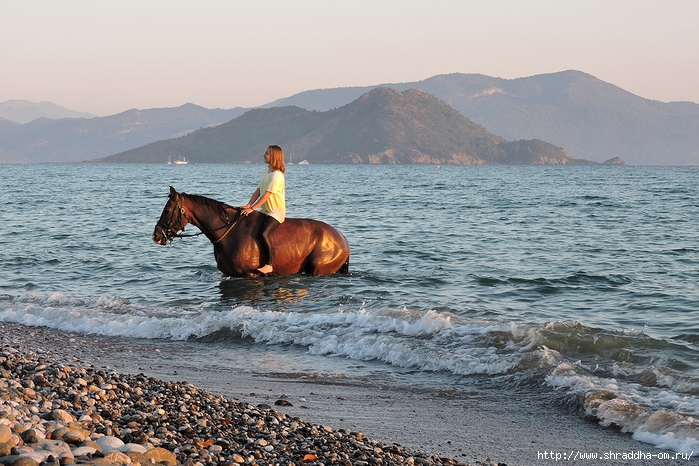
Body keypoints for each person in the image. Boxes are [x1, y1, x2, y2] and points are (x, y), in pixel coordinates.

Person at [241, 145, 286, 274]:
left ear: (274, 157)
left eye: (266, 153)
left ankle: (269, 264)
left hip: (275, 212)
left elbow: (267, 194)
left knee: (263, 233)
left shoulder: (277, 175)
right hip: (265, 211)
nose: (264, 155)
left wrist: (253, 208)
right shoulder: (266, 173)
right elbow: (259, 191)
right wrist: (248, 205)